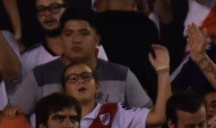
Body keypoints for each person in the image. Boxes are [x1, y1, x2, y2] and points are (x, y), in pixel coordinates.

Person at [10, 9, 152, 117]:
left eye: (83, 33)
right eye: (68, 34)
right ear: (61, 39)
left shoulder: (121, 74)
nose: (75, 39)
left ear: (96, 40)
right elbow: (12, 116)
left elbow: (150, 115)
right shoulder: (40, 76)